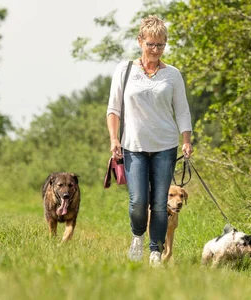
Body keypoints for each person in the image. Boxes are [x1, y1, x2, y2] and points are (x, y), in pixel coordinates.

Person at [106, 15, 193, 267]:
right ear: (140, 41)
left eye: (161, 45)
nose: (155, 50)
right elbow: (114, 109)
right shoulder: (124, 71)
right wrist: (114, 139)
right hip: (133, 146)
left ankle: (155, 251)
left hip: (165, 146)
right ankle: (137, 237)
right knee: (138, 202)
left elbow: (183, 110)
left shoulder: (173, 75)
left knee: (158, 203)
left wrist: (186, 140)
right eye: (150, 44)